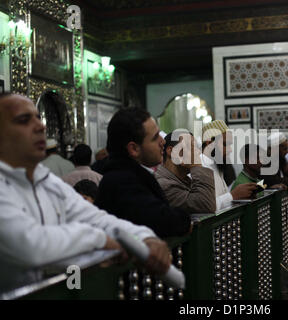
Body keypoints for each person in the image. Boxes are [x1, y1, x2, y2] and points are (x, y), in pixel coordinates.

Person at [0, 93, 171, 291]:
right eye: (23, 120)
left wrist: (143, 237)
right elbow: (30, 245)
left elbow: (98, 219)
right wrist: (101, 240)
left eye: (38, 117)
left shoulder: (47, 182)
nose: (40, 127)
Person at [95, 107, 192, 238]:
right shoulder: (121, 182)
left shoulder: (130, 175)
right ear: (134, 148)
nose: (162, 141)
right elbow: (163, 221)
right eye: (155, 137)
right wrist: (183, 219)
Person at [155, 130, 216, 213]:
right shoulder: (163, 185)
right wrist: (196, 165)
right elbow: (206, 204)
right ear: (171, 152)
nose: (198, 153)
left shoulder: (183, 180)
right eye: (191, 147)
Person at [201, 120, 257, 210]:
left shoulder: (217, 165)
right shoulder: (200, 167)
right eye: (225, 144)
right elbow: (204, 206)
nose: (230, 150)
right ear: (209, 143)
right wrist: (233, 195)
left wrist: (242, 196)